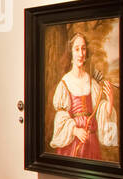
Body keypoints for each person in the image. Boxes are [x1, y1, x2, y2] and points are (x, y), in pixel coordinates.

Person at [50, 32, 117, 160]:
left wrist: (110, 100)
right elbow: (60, 116)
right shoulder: (65, 83)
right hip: (73, 142)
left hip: (91, 142)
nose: (81, 54)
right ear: (71, 53)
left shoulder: (92, 83)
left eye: (83, 48)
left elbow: (101, 112)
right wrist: (75, 130)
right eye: (77, 49)